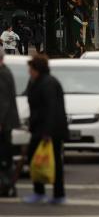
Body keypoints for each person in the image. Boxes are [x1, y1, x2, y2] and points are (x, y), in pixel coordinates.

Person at [23, 55, 68, 205]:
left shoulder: (48, 83)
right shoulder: (35, 82)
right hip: (39, 127)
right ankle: (39, 191)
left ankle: (58, 194)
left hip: (51, 130)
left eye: (31, 69)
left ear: (37, 69)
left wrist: (47, 132)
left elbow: (51, 109)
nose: (29, 71)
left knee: (54, 161)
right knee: (34, 158)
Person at [0, 49, 20, 197]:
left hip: (4, 123)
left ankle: (7, 185)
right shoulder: (6, 72)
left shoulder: (3, 74)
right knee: (5, 155)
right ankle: (8, 185)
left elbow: (4, 101)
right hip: (7, 122)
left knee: (4, 156)